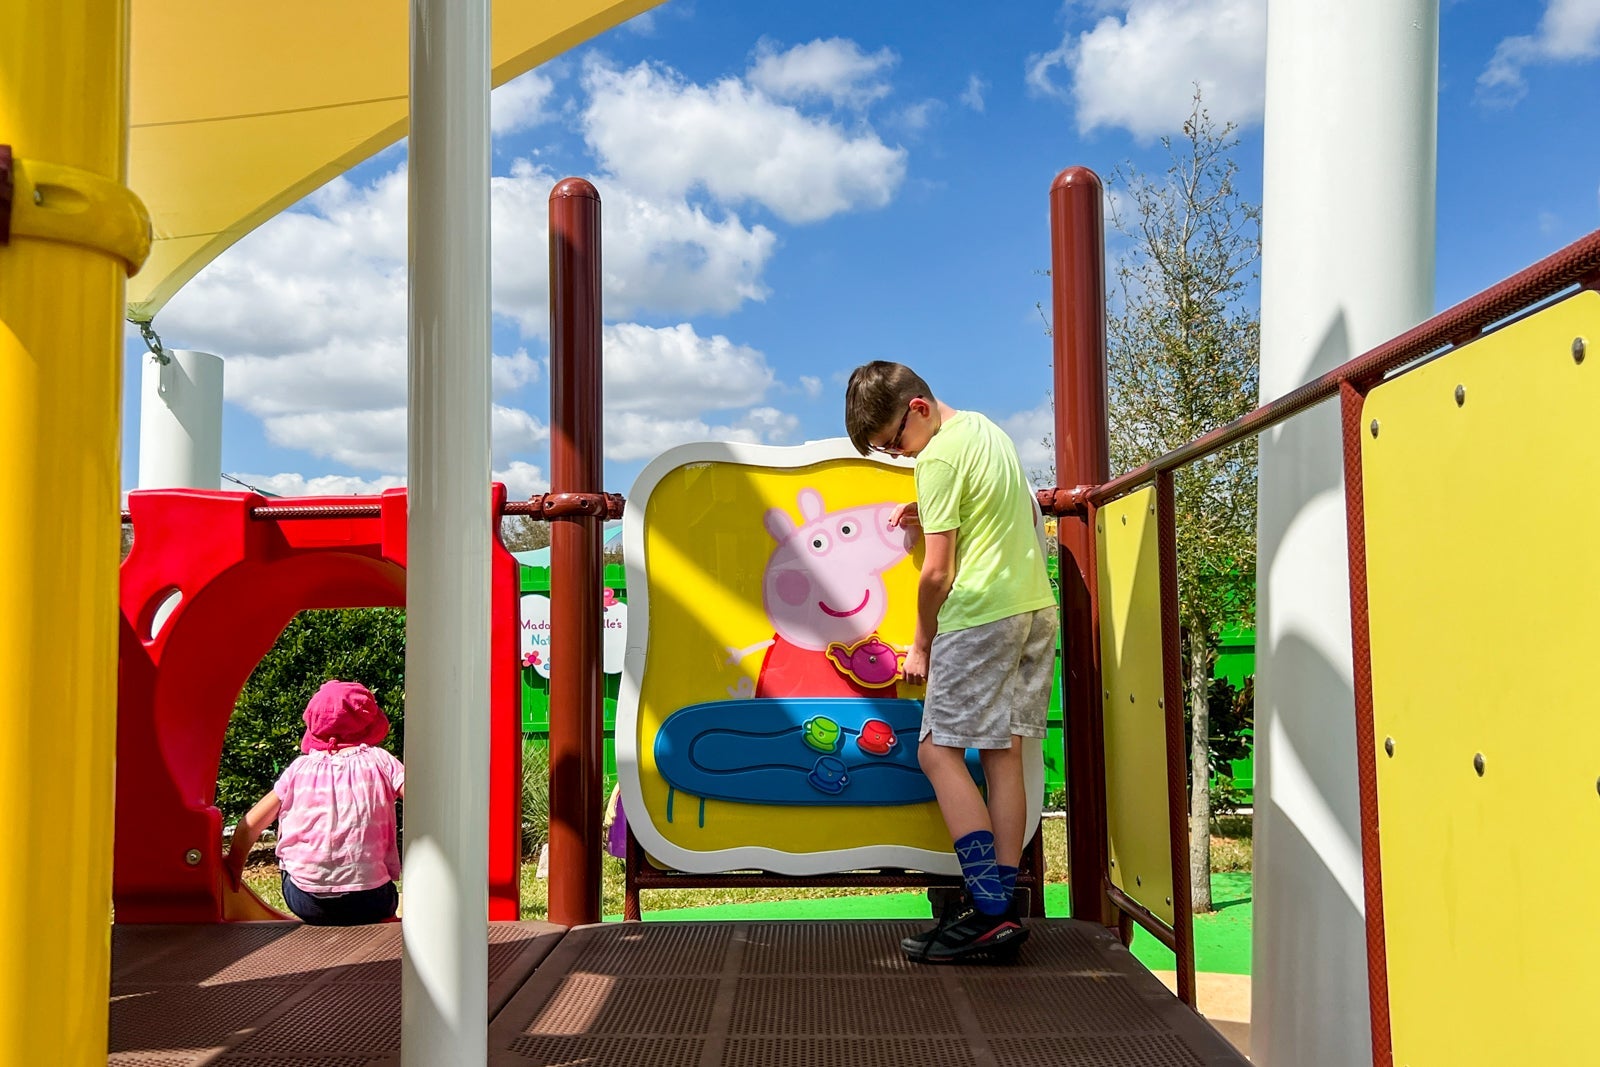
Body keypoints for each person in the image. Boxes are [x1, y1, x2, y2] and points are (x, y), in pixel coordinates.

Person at [845, 361, 1057, 963]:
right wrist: (928, 507)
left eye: (895, 443)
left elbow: (937, 573)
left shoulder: (936, 457)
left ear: (918, 408)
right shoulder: (985, 430)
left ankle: (987, 907)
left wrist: (921, 644)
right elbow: (1000, 513)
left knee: (936, 753)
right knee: (1003, 756)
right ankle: (1001, 913)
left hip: (981, 617)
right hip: (1034, 611)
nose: (899, 456)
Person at [226, 679, 405, 926]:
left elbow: (248, 825)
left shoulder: (298, 769)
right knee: (384, 894)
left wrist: (233, 872)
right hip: (369, 899)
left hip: (305, 899)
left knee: (301, 878)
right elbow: (422, 798)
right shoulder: (381, 761)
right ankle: (384, 920)